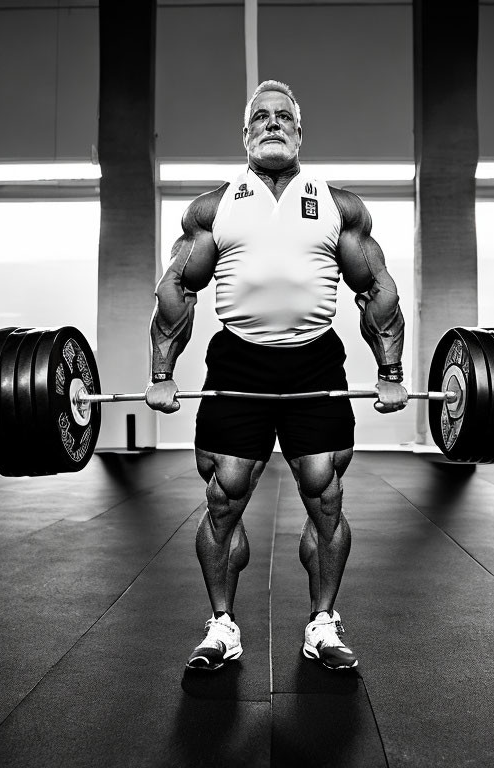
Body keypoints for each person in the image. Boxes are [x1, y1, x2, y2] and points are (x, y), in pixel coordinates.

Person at [146, 80, 408, 672]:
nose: (271, 123)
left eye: (282, 116)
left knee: (326, 496)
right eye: (259, 117)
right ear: (245, 134)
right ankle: (221, 625)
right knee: (222, 500)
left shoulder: (339, 205)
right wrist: (161, 372)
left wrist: (390, 370)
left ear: (298, 131)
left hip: (316, 360)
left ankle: (323, 621)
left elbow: (377, 290)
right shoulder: (215, 207)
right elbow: (177, 290)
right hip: (238, 360)